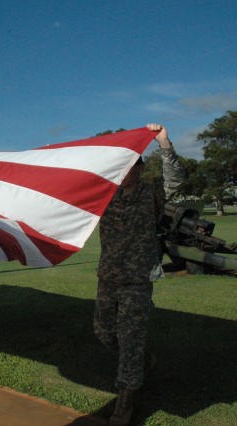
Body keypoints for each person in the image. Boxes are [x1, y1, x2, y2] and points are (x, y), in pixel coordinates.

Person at [94, 123, 184, 425]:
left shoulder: (151, 194)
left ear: (140, 168)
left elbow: (175, 184)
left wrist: (164, 144)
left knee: (130, 341)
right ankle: (144, 358)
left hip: (137, 279)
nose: (123, 172)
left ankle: (126, 404)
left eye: (130, 166)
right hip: (108, 278)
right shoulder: (104, 195)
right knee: (105, 334)